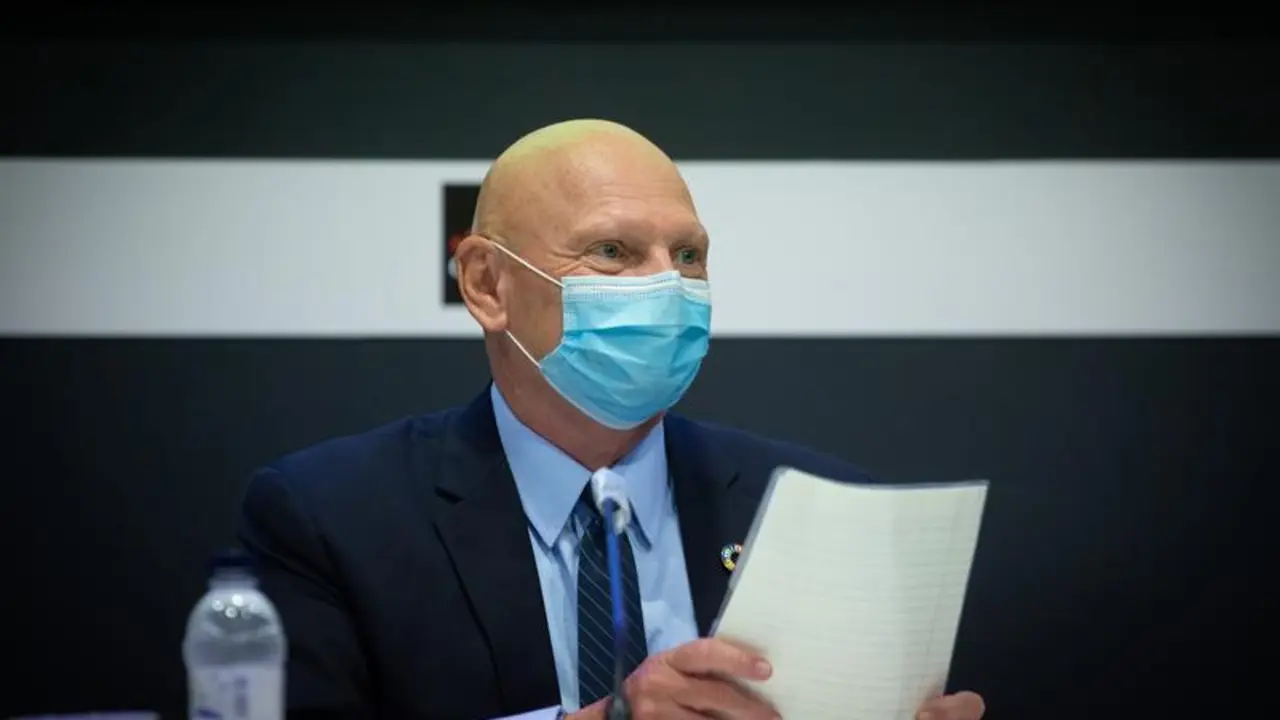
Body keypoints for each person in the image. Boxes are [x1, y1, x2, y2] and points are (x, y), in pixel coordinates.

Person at [237, 119, 986, 720]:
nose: (668, 285)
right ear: (487, 284)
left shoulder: (823, 506)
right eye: (612, 251)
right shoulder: (331, 517)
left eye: (688, 255)